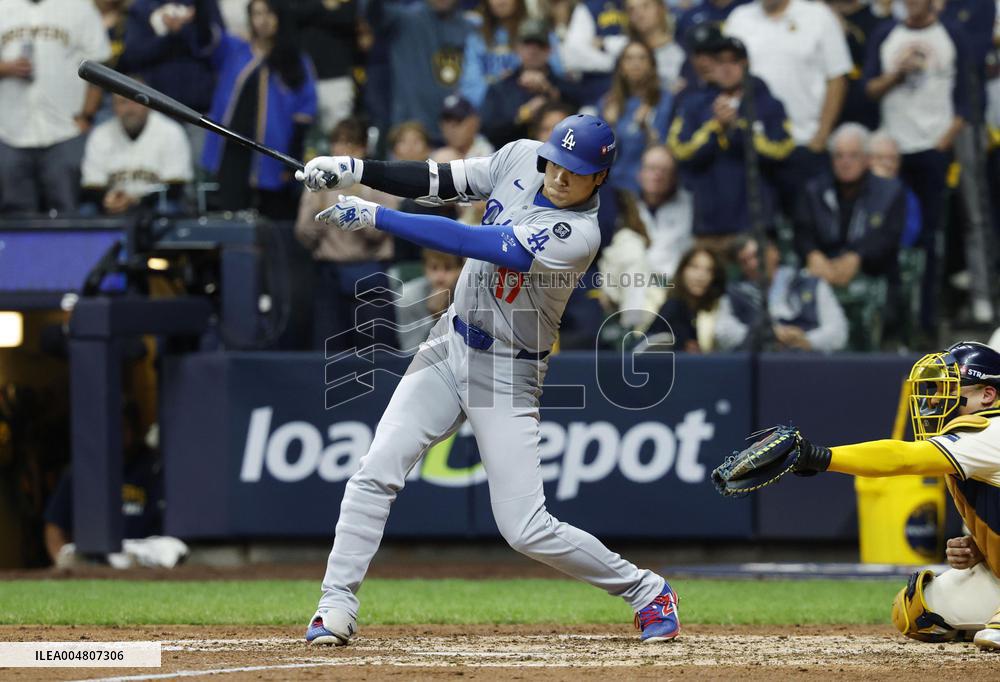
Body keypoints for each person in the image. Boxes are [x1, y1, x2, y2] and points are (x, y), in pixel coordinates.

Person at [296, 113, 680, 646]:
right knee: (375, 468)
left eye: (576, 170)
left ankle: (646, 591)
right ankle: (334, 605)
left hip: (508, 372)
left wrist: (375, 216)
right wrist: (353, 168)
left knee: (525, 529)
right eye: (557, 162)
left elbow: (477, 242)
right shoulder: (521, 155)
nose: (560, 175)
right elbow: (439, 180)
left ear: (599, 178)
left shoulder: (578, 235)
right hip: (448, 341)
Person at [728, 341, 1000, 650]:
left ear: (987, 395)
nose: (936, 399)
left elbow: (903, 457)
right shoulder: (978, 436)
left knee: (994, 634)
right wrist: (983, 548)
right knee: (915, 613)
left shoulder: (991, 430)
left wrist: (820, 457)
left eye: (947, 389)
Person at [863, 0, 966, 338]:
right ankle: (890, 318)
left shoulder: (951, 33)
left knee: (931, 239)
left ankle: (926, 321)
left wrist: (946, 138)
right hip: (892, 150)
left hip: (933, 147)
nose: (911, 5)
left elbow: (968, 92)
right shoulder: (885, 34)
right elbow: (869, 89)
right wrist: (897, 73)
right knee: (887, 237)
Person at [668, 35, 793, 255]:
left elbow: (781, 151)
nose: (726, 68)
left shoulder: (769, 105)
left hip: (755, 224)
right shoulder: (693, 105)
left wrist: (737, 128)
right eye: (719, 61)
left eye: (733, 61)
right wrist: (715, 128)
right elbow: (680, 150)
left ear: (745, 64)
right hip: (708, 225)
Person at [725, 0, 852, 212]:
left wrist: (821, 136)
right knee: (761, 230)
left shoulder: (818, 16)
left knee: (809, 227)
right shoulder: (739, 18)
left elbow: (837, 78)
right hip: (755, 146)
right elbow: (726, 73)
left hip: (804, 141)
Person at [201, 0, 317, 219]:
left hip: (272, 156)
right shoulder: (235, 51)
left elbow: (304, 114)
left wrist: (291, 162)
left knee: (272, 223)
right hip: (233, 151)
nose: (263, 20)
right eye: (257, 14)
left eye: (269, 13)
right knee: (231, 220)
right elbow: (205, 35)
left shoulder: (296, 61)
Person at [0, 0, 111, 215]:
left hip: (65, 129)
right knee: (14, 216)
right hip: (9, 130)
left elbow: (99, 63)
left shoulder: (79, 6)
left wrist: (87, 115)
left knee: (67, 211)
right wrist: (5, 67)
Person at [295, 118, 396, 352]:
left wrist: (356, 194)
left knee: (376, 353)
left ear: (362, 148)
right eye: (337, 143)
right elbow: (303, 235)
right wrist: (318, 204)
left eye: (349, 143)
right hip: (329, 274)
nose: (341, 150)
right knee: (328, 350)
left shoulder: (379, 179)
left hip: (370, 273)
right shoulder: (317, 183)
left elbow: (377, 234)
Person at [796, 123, 905, 289]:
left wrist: (857, 256)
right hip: (822, 272)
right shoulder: (814, 190)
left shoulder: (889, 192)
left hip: (873, 276)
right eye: (839, 156)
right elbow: (802, 231)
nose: (845, 163)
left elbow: (887, 237)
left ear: (867, 159)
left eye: (853, 156)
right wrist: (813, 254)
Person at [715, 235, 849, 352]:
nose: (752, 264)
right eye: (744, 261)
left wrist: (807, 340)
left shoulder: (811, 284)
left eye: (756, 255)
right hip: (759, 364)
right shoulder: (735, 292)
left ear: (775, 252)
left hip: (809, 363)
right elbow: (722, 331)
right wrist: (765, 334)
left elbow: (838, 332)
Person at [366, 0, 472, 141]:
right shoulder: (405, 19)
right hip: (412, 134)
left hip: (458, 134)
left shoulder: (470, 27)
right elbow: (374, 13)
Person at [80, 91, 194, 215]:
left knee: (167, 208)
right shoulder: (100, 134)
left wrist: (136, 201)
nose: (130, 109)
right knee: (87, 211)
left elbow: (175, 186)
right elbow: (92, 185)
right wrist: (109, 199)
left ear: (148, 104)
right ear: (113, 106)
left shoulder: (171, 131)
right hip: (113, 204)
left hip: (153, 206)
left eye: (137, 102)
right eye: (123, 102)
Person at [480, 19, 575, 148]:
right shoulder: (500, 88)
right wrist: (523, 114)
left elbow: (580, 118)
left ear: (549, 50)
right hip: (512, 159)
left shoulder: (564, 86)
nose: (533, 50)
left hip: (558, 158)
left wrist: (550, 92)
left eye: (540, 45)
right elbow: (488, 130)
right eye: (527, 44)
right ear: (517, 48)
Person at [119, 0, 222, 116]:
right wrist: (170, 35)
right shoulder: (143, 6)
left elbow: (216, 46)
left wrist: (190, 24)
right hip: (157, 109)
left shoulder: (203, 4)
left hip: (200, 108)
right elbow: (133, 55)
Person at [601, 41, 674, 194]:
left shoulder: (665, 101)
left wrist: (645, 128)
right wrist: (609, 125)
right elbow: (600, 155)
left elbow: (665, 152)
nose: (636, 64)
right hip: (612, 187)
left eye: (642, 58)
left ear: (652, 66)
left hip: (650, 188)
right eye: (629, 59)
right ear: (620, 67)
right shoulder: (607, 103)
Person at [284, 0, 358, 135]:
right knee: (298, 139)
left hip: (336, 77)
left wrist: (309, 11)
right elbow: (290, 12)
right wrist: (324, 5)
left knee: (341, 138)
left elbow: (347, 16)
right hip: (300, 80)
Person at [644, 246, 727, 352]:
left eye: (708, 270)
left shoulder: (719, 309)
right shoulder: (672, 307)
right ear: (682, 270)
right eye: (694, 267)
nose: (701, 276)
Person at [826, 0, 886, 130]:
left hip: (863, 115)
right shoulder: (811, 18)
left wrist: (846, 36)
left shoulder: (875, 21)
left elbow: (872, 73)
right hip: (815, 115)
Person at [559, 0, 629, 107]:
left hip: (634, 93)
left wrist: (606, 43)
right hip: (597, 95)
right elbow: (573, 55)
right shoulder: (589, 7)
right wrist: (614, 62)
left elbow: (643, 43)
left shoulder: (634, 4)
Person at [396, 249, 465, 351]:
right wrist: (433, 318)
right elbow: (410, 351)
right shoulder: (407, 297)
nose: (440, 277)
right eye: (434, 268)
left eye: (448, 268)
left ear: (460, 269)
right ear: (424, 269)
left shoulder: (468, 297)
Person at [625, 0, 685, 93]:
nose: (639, 14)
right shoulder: (625, 53)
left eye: (646, 6)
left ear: (661, 8)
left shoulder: (683, 48)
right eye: (631, 9)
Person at [435, 95, 495, 162]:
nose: (451, 129)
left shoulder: (487, 154)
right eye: (446, 122)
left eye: (458, 121)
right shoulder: (438, 152)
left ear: (474, 123)